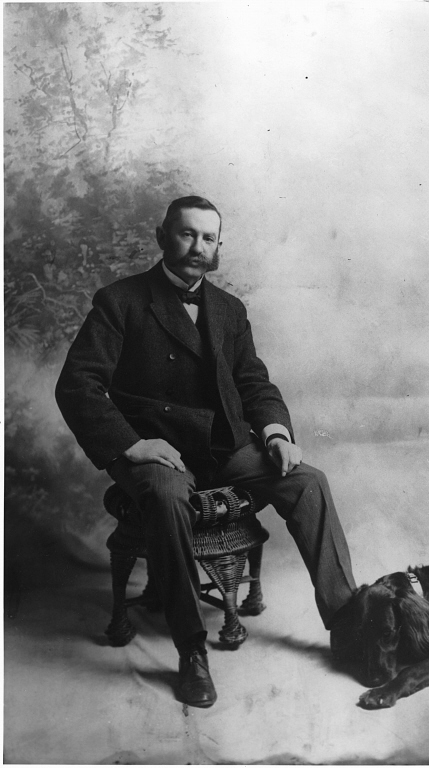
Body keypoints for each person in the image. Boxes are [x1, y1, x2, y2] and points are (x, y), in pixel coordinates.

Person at [55, 195, 356, 708]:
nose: (198, 247)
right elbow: (77, 385)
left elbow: (253, 382)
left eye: (209, 238)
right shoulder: (119, 301)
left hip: (223, 447)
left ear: (219, 246)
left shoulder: (228, 309)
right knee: (169, 499)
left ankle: (348, 626)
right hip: (155, 450)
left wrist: (277, 435)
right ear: (162, 236)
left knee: (309, 481)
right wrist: (132, 444)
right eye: (187, 234)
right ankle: (191, 649)